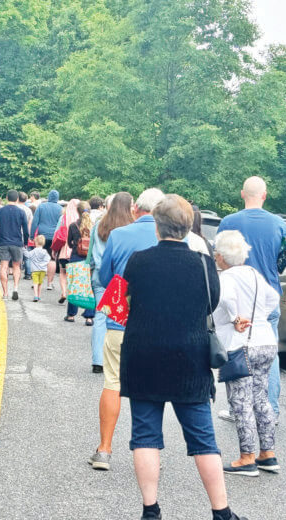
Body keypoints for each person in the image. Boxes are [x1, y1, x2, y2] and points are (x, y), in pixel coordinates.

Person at [120, 194, 248, 520]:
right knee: (204, 439)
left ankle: (150, 511)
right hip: (190, 359)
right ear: (188, 227)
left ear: (157, 227)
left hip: (143, 355)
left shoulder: (137, 261)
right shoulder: (205, 266)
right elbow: (210, 306)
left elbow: (122, 301)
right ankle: (222, 512)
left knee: (145, 436)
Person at [89, 188, 163, 472]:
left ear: (136, 209)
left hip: (121, 321)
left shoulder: (119, 235)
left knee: (113, 383)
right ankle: (150, 450)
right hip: (156, 326)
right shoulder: (169, 239)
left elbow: (106, 277)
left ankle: (105, 449)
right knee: (152, 388)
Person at [217, 176, 286, 420]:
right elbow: (285, 257)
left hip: (236, 298)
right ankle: (270, 410)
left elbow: (219, 257)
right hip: (267, 296)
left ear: (241, 194)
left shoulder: (228, 222)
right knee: (270, 353)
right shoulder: (278, 224)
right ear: (265, 195)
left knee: (237, 351)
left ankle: (240, 409)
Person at [212, 230, 280, 477]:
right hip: (265, 342)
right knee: (260, 399)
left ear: (221, 256)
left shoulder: (226, 277)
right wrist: (257, 317)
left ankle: (247, 457)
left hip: (242, 345)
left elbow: (226, 299)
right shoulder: (254, 274)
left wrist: (235, 318)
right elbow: (273, 299)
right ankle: (268, 454)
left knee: (240, 402)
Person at [88, 192, 133, 374]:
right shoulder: (130, 227)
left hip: (100, 275)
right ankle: (121, 357)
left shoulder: (100, 224)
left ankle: (98, 360)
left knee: (100, 316)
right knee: (123, 318)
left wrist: (91, 268)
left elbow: (92, 249)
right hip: (123, 276)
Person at [0, 189, 29, 301]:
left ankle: (5, 293)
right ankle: (16, 288)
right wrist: (26, 242)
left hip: (4, 242)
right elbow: (26, 230)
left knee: (3, 267)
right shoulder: (21, 212)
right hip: (17, 242)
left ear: (7, 198)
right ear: (17, 199)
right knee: (16, 266)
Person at [63, 201, 95, 325]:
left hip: (76, 257)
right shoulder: (94, 225)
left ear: (77, 211)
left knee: (74, 286)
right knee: (89, 287)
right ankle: (89, 316)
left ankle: (71, 314)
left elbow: (69, 243)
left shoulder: (73, 226)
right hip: (90, 259)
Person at [31, 190, 63, 290]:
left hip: (42, 236)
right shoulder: (61, 209)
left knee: (38, 258)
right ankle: (49, 283)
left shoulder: (41, 206)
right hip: (54, 237)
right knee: (52, 259)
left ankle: (36, 281)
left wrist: (32, 236)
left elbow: (35, 222)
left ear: (48, 197)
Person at [55, 199, 81, 304]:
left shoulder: (63, 218)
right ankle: (72, 293)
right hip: (77, 252)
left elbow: (57, 233)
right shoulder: (81, 220)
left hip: (64, 251)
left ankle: (64, 292)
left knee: (63, 272)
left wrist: (54, 249)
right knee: (74, 275)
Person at [25, 235, 51, 302]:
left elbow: (28, 255)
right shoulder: (45, 251)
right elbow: (48, 259)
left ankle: (35, 296)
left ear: (36, 243)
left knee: (35, 283)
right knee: (40, 283)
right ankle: (39, 296)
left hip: (35, 270)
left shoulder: (34, 251)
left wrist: (23, 249)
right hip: (43, 270)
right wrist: (43, 264)